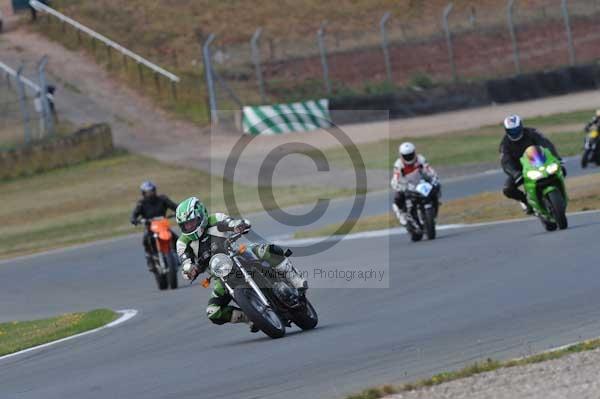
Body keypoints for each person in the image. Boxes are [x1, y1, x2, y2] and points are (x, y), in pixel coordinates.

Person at [175, 196, 307, 330]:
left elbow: (229, 223)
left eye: (191, 222)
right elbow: (185, 260)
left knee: (266, 250)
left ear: (201, 215)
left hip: (238, 254)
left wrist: (238, 226)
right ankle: (250, 317)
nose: (189, 226)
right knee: (213, 311)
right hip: (221, 275)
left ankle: (296, 279)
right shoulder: (182, 242)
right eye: (186, 225)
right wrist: (190, 270)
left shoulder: (215, 219)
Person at [500, 114, 564, 213]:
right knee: (507, 189)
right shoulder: (505, 143)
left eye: (516, 129)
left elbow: (547, 144)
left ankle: (559, 193)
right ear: (506, 130)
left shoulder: (532, 133)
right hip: (521, 169)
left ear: (521, 126)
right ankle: (525, 201)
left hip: (540, 162)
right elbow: (505, 161)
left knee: (561, 170)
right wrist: (515, 173)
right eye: (511, 130)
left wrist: (557, 159)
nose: (515, 132)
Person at [130, 181, 178, 271]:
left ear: (155, 191)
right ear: (143, 193)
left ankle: (181, 255)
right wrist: (134, 220)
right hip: (150, 229)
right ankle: (150, 259)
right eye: (148, 192)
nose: (150, 194)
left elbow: (175, 206)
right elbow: (134, 215)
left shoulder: (162, 199)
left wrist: (179, 210)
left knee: (176, 238)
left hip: (163, 227)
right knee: (145, 239)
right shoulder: (141, 203)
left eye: (151, 191)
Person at [391, 142, 440, 225]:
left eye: (410, 154)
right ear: (401, 155)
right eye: (406, 156)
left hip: (420, 183)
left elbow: (428, 169)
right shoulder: (398, 164)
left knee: (436, 188)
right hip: (407, 186)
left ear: (414, 152)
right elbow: (395, 178)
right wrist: (399, 185)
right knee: (398, 197)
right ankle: (401, 214)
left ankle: (433, 210)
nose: (408, 157)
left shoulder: (420, 159)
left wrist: (434, 177)